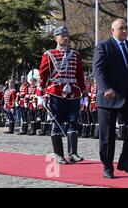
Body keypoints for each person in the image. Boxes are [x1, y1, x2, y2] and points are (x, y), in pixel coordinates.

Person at [93, 18, 128, 179]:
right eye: (120, 28)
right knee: (107, 135)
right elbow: (98, 69)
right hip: (109, 97)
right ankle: (107, 166)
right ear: (112, 31)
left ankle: (125, 162)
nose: (124, 31)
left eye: (126, 28)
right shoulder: (104, 47)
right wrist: (105, 89)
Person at [39, 25, 87, 165]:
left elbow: (79, 75)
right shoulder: (49, 54)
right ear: (56, 38)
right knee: (57, 121)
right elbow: (43, 75)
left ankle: (73, 153)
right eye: (62, 36)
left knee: (73, 121)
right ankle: (59, 155)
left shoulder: (75, 55)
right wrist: (40, 92)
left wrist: (83, 91)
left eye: (67, 36)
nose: (65, 38)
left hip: (73, 91)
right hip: (56, 92)